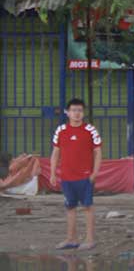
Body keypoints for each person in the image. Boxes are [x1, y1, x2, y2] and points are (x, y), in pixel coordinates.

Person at [50, 98, 102, 250]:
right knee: (70, 207)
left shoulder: (90, 130)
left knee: (87, 207)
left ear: (83, 113)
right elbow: (55, 153)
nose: (77, 113)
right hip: (66, 177)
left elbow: (98, 153)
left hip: (85, 177)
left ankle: (90, 239)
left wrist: (95, 173)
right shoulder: (61, 130)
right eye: (74, 110)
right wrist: (53, 173)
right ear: (67, 112)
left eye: (79, 110)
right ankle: (71, 239)